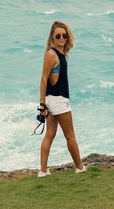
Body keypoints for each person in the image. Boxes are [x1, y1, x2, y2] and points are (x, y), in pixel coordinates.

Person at [37, 20, 86, 177]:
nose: (61, 38)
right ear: (52, 37)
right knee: (70, 135)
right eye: (58, 35)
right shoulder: (51, 54)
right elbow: (44, 79)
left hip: (53, 100)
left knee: (50, 134)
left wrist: (45, 103)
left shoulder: (60, 54)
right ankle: (80, 167)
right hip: (58, 100)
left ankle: (43, 171)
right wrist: (42, 104)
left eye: (64, 35)